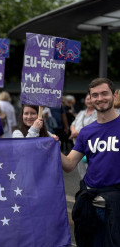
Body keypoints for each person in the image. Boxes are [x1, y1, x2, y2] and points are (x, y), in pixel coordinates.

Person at [60, 78, 120, 246]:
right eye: (95, 95)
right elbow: (70, 164)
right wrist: (54, 148)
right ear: (91, 99)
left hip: (116, 208)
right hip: (90, 205)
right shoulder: (86, 132)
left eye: (104, 93)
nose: (100, 98)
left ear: (114, 95)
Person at [68, 93, 97, 179]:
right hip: (78, 146)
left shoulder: (97, 113)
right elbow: (73, 124)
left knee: (91, 169)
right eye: (87, 99)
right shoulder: (81, 112)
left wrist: (78, 133)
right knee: (82, 170)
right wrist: (73, 131)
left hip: (91, 146)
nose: (89, 101)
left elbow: (95, 128)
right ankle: (85, 188)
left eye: (91, 99)